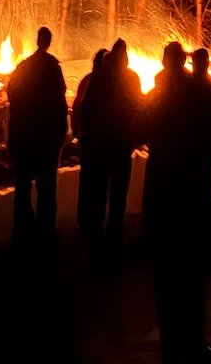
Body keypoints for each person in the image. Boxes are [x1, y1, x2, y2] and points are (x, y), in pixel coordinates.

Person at [141, 41, 211, 364]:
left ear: (164, 61)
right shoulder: (200, 91)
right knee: (191, 271)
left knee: (167, 271)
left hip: (165, 190)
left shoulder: (157, 94)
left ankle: (171, 344)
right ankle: (194, 341)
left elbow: (137, 128)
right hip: (192, 189)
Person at [80, 38, 142, 267]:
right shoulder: (131, 79)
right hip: (118, 148)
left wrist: (86, 139)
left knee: (99, 197)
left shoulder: (98, 79)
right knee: (117, 198)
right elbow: (137, 108)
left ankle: (94, 248)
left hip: (101, 148)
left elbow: (86, 111)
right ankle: (113, 245)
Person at [6, 25, 68, 252]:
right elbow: (60, 105)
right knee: (47, 190)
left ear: (37, 41)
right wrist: (60, 135)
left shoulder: (24, 66)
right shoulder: (52, 68)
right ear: (48, 42)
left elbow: (12, 95)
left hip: (24, 138)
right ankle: (45, 235)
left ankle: (22, 233)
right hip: (45, 141)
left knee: (23, 188)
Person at [190, 47, 211, 273]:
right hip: (209, 149)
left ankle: (195, 247)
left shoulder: (187, 86)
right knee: (207, 196)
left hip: (192, 150)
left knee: (192, 197)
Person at [72, 47, 107, 236]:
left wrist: (77, 132)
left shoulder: (87, 80)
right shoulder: (104, 83)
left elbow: (77, 108)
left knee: (88, 181)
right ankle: (95, 219)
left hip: (90, 141)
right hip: (97, 142)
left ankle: (85, 219)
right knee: (97, 182)